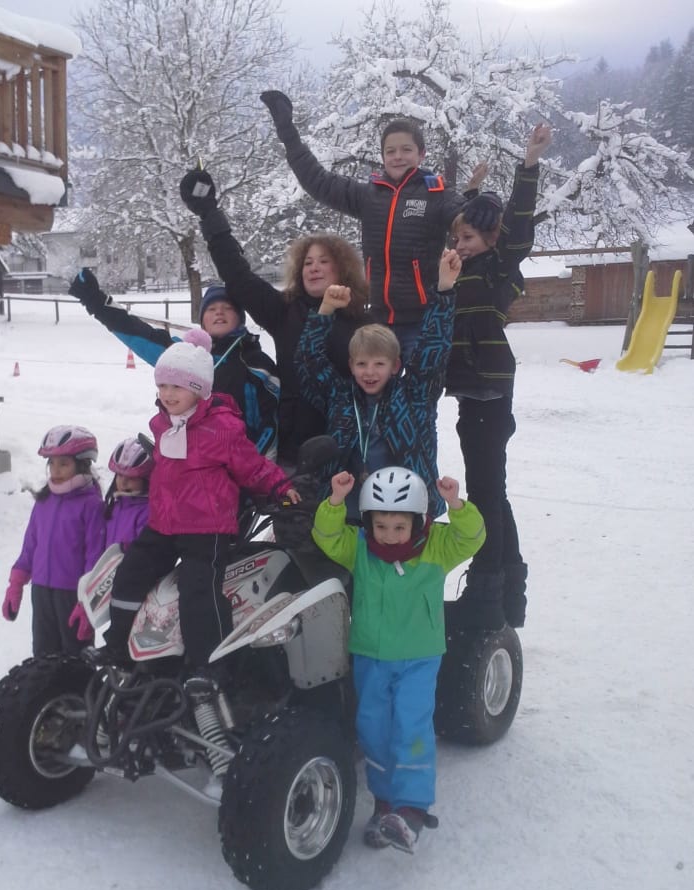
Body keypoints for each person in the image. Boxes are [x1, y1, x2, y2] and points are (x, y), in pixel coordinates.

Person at [95, 339, 300, 671]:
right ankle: (117, 644)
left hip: (207, 528)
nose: (167, 394)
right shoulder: (161, 424)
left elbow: (252, 465)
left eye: (176, 386)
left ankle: (210, 665)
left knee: (198, 591)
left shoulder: (222, 428)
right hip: (163, 523)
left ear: (199, 388)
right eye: (162, 385)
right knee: (130, 573)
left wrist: (279, 486)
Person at [312, 466, 485, 853]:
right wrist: (335, 501)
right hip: (370, 657)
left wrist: (457, 505)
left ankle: (412, 809)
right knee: (373, 729)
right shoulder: (360, 549)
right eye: (380, 526)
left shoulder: (437, 547)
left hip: (418, 658)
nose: (389, 535)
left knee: (411, 726)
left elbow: (472, 537)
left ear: (419, 522)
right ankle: (385, 804)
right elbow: (327, 536)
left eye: (399, 527)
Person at [259, 92, 484, 360]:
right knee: (372, 386)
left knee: (422, 387)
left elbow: (465, 218)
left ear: (421, 154)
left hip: (422, 321)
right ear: (383, 155)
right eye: (390, 151)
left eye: (406, 150)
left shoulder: (436, 195)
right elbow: (317, 181)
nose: (398, 156)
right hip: (378, 320)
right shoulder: (369, 196)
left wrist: (481, 207)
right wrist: (287, 133)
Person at [179, 167, 370, 465]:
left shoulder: (362, 320)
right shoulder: (285, 310)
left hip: (348, 446)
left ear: (342, 268)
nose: (314, 268)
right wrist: (209, 214)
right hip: (294, 448)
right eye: (308, 262)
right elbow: (237, 275)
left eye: (323, 261)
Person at [445, 123, 552, 630]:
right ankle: (510, 593)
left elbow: (516, 230)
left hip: (490, 389)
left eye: (468, 238)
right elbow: (471, 230)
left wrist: (528, 165)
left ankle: (489, 590)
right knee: (492, 489)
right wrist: (470, 194)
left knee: (487, 492)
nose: (459, 245)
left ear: (491, 239)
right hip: (472, 392)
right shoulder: (465, 269)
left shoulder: (498, 268)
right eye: (456, 238)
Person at [292, 248, 462, 520]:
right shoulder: (340, 397)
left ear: (395, 366)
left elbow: (433, 350)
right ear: (351, 366)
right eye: (361, 364)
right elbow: (308, 362)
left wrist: (443, 289)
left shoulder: (414, 395)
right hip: (348, 515)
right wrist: (325, 310)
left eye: (379, 364)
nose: (369, 372)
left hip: (404, 517)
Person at [68, 270, 280, 459]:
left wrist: (252, 471)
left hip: (238, 469)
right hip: (186, 466)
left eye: (227, 308)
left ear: (240, 318)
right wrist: (95, 299)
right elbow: (137, 333)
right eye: (211, 308)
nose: (219, 312)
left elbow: (272, 426)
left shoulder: (257, 364)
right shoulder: (183, 357)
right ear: (202, 321)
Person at [2, 426, 106, 657]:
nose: (55, 470)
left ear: (82, 465)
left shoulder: (91, 505)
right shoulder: (44, 502)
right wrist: (15, 584)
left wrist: (88, 602)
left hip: (72, 595)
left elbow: (95, 559)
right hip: (41, 592)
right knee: (44, 654)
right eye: (52, 463)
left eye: (64, 464)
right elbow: (30, 546)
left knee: (75, 658)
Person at [104, 436, 153, 549]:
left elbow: (145, 549)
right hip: (108, 561)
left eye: (131, 478)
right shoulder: (114, 505)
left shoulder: (146, 513)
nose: (123, 483)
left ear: (146, 479)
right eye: (120, 475)